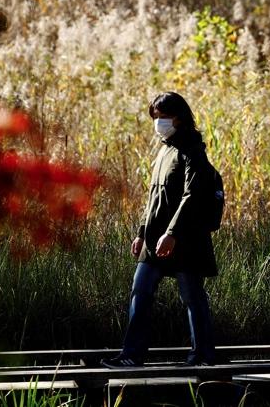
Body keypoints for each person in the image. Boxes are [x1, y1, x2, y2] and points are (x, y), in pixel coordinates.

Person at [102, 92, 219, 368]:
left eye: (163, 117)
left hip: (185, 240)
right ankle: (132, 355)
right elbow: (154, 196)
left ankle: (202, 356)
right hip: (154, 239)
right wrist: (142, 232)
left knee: (192, 296)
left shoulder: (193, 150)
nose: (158, 123)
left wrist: (173, 233)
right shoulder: (164, 149)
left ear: (179, 117)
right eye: (156, 117)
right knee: (140, 291)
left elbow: (192, 195)